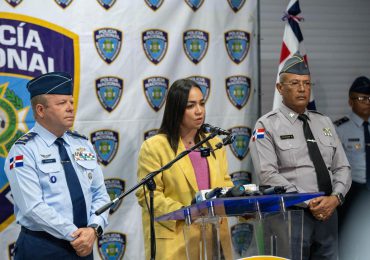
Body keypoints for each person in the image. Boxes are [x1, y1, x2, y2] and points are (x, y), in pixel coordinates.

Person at [249, 53, 351, 260]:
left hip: (329, 214)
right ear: (280, 88)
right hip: (290, 215)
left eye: (306, 83)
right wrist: (309, 201)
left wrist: (335, 198)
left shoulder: (324, 122)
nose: (302, 89)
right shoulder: (266, 125)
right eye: (295, 83)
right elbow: (267, 174)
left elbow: (343, 167)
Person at [4, 72, 110, 259]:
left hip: (84, 245)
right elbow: (32, 206)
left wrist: (94, 228)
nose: (70, 108)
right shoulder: (23, 151)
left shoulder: (82, 144)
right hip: (44, 247)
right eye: (61, 103)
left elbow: (100, 194)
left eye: (71, 102)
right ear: (40, 110)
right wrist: (76, 235)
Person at [135, 79, 233, 260]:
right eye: (191, 105)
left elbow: (225, 184)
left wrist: (242, 205)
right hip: (176, 243)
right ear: (176, 109)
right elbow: (148, 195)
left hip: (214, 241)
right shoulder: (155, 147)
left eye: (202, 103)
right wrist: (187, 211)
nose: (199, 111)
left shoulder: (215, 143)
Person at [334, 76, 370, 258]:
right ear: (350, 101)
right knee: (349, 235)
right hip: (352, 190)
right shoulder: (339, 128)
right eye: (361, 98)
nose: (367, 103)